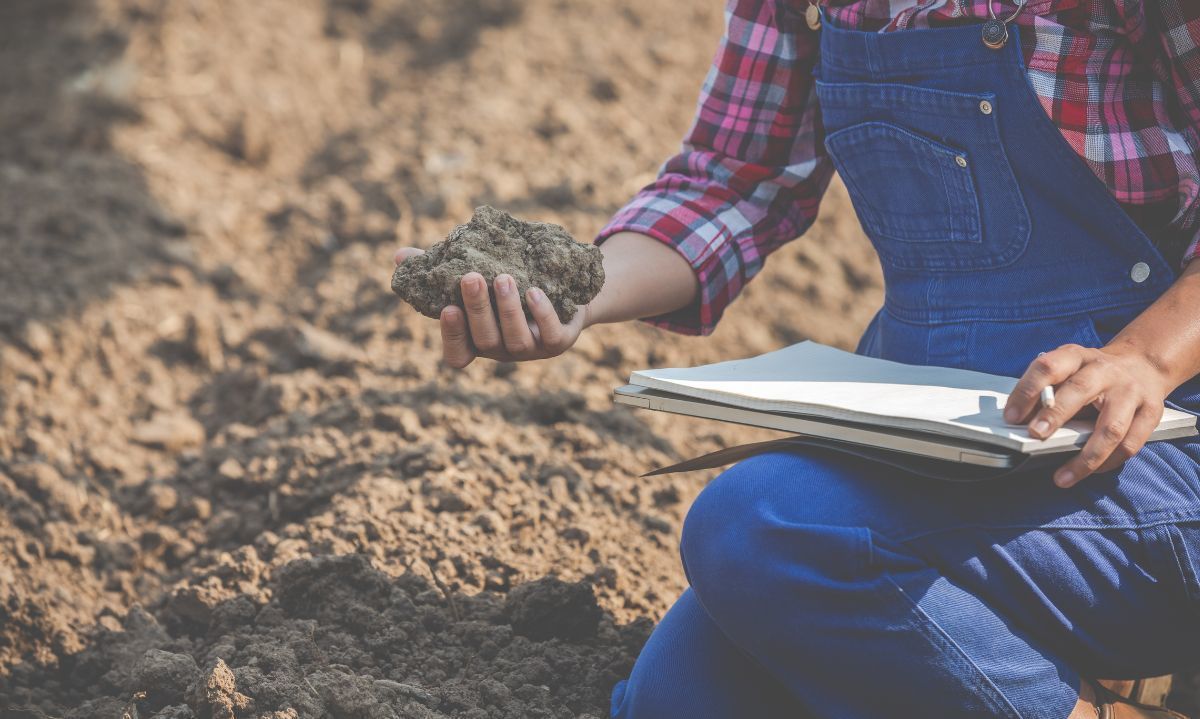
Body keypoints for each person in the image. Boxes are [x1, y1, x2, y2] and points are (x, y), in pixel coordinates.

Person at [394, 0, 1200, 716]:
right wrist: (579, 293)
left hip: (1137, 451)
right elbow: (732, 180)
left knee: (761, 526)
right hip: (935, 426)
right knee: (683, 698)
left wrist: (1144, 357)